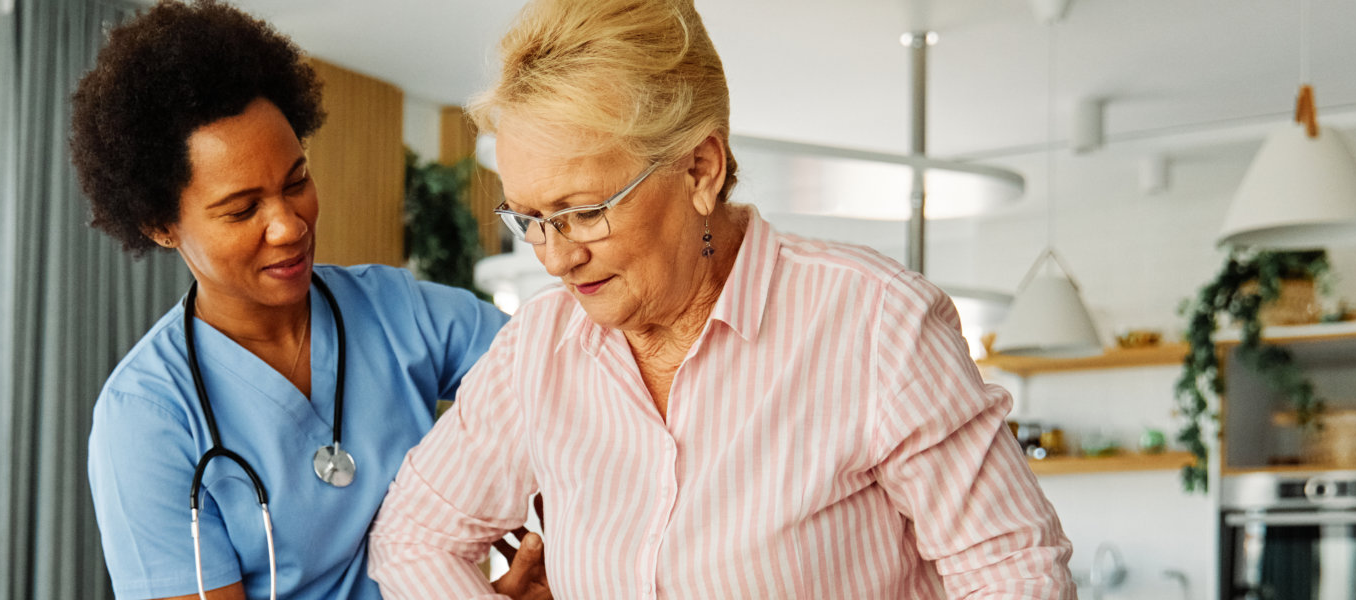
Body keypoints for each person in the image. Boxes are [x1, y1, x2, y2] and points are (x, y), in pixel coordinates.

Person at [368, 0, 1076, 598]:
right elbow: (414, 536)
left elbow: (1012, 569)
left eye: (583, 212)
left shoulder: (875, 322)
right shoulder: (538, 348)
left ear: (700, 168)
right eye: (529, 219)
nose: (555, 256)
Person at [68, 2, 537, 599]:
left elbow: (555, 366)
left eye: (296, 182)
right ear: (160, 224)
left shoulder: (395, 311)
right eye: (241, 209)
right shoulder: (146, 417)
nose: (288, 226)